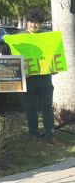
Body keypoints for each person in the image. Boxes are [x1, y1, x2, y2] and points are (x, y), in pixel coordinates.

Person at [21, 10, 58, 144]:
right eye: (31, 22)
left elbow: (53, 56)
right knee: (30, 107)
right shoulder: (18, 39)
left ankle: (50, 135)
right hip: (28, 80)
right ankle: (33, 135)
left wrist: (55, 67)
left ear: (40, 24)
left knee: (47, 106)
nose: (34, 25)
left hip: (45, 79)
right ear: (27, 22)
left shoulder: (47, 38)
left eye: (37, 22)